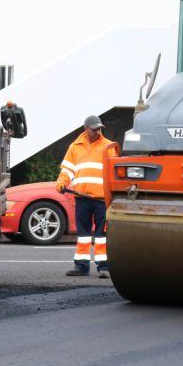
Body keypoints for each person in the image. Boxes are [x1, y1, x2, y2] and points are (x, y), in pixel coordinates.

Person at [56, 115, 117, 278]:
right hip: (82, 198)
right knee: (83, 234)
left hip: (101, 199)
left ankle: (103, 267)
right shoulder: (75, 147)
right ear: (85, 129)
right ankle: (81, 266)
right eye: (94, 128)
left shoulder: (108, 146)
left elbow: (114, 172)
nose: (97, 131)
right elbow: (67, 169)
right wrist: (62, 182)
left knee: (101, 235)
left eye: (99, 129)